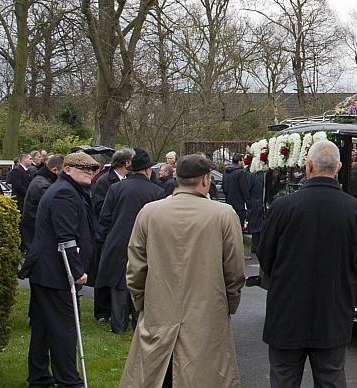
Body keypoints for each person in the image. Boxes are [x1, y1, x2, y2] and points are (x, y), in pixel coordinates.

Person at [120, 154, 246, 388]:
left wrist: (141, 302)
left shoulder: (150, 212)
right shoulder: (223, 214)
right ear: (206, 179)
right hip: (206, 311)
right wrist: (229, 302)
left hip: (160, 308)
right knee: (205, 374)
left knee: (156, 372)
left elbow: (135, 267)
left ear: (177, 178)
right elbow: (235, 270)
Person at [256, 139, 357, 388]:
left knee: (284, 379)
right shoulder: (355, 210)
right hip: (332, 311)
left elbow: (265, 257)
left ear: (308, 166)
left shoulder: (282, 207)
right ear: (338, 167)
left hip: (287, 312)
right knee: (331, 379)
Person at [20, 151, 102, 388]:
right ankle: (68, 381)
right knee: (64, 329)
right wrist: (77, 272)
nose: (90, 174)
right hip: (55, 273)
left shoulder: (67, 191)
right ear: (67, 170)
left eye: (92, 170)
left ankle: (39, 377)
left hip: (47, 272)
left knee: (44, 327)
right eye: (84, 169)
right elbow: (66, 238)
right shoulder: (64, 193)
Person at [97, 149, 164, 333]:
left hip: (117, 239)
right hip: (145, 242)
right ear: (147, 170)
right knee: (142, 280)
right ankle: (139, 321)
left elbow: (105, 217)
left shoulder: (116, 188)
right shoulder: (157, 192)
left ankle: (118, 324)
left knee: (119, 283)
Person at [90, 147, 132, 324]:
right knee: (104, 270)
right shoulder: (105, 181)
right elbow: (99, 207)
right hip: (105, 233)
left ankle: (119, 308)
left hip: (120, 232)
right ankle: (102, 310)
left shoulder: (126, 181)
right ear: (126, 163)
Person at [22, 154, 63, 252]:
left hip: (35, 233)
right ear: (55, 170)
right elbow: (55, 209)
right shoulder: (42, 185)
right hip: (36, 235)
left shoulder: (42, 181)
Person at [222, 155, 251, 228]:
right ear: (239, 161)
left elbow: (224, 187)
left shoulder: (226, 172)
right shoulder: (240, 172)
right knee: (238, 226)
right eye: (242, 161)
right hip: (239, 204)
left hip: (229, 202)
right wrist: (248, 204)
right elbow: (244, 189)